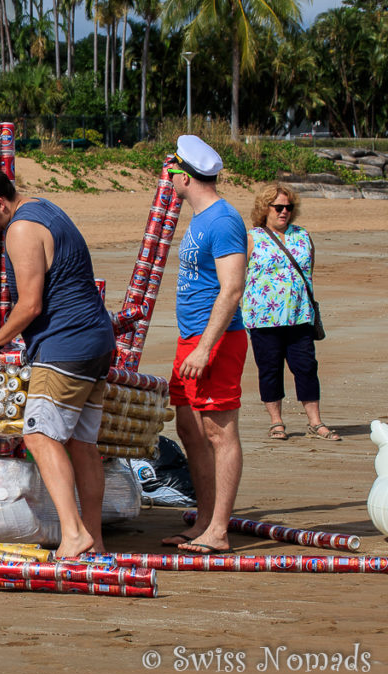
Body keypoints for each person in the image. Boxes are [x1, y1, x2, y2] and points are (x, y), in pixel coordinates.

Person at [0, 166, 115, 558]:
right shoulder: (46, 208)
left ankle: (74, 534)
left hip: (66, 347)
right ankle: (92, 539)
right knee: (82, 444)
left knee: (38, 436)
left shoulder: (21, 229)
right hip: (96, 342)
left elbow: (30, 304)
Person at [160, 135, 247, 555]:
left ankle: (219, 530)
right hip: (190, 337)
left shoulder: (223, 219)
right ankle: (206, 519)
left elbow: (231, 290)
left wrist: (204, 348)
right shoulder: (199, 218)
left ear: (185, 175)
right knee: (189, 428)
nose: (168, 177)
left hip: (216, 340)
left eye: (172, 170)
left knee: (218, 431)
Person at [242, 184, 339, 441]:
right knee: (270, 369)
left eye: (288, 207)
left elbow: (308, 272)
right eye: (278, 207)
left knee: (306, 367)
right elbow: (238, 275)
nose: (284, 212)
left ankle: (315, 422)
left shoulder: (303, 236)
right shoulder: (252, 238)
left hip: (299, 315)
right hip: (264, 318)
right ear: (265, 209)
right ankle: (276, 422)